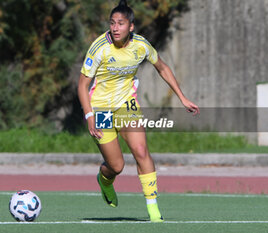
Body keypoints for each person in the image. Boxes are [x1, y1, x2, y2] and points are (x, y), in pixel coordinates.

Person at [77, 0, 199, 223]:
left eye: (120, 23)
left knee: (141, 151)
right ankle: (105, 181)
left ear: (131, 26)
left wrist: (182, 97)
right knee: (116, 166)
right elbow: (82, 85)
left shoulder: (141, 45)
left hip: (127, 105)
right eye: (112, 23)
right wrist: (89, 116)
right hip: (101, 110)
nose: (115, 28)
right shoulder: (99, 47)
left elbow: (161, 66)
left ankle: (153, 209)